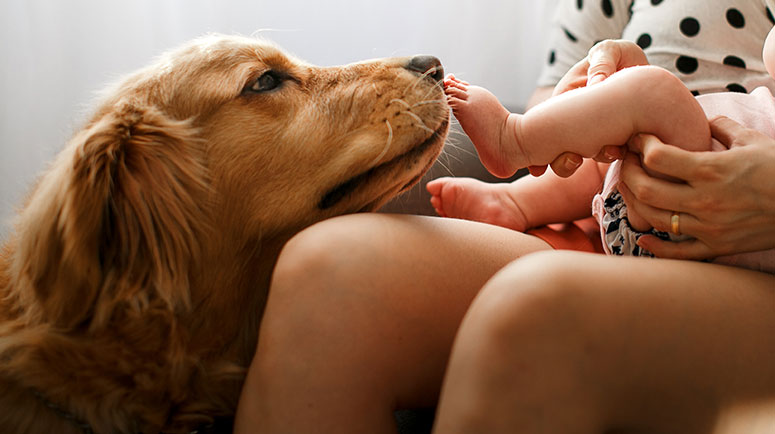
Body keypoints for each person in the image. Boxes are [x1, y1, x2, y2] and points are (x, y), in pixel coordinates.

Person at [233, 3, 775, 434]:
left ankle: (515, 143)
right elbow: (565, 137)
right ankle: (518, 177)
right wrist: (593, 97)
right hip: (610, 218)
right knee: (330, 272)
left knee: (539, 309)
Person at [429, 36, 775, 270]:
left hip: (701, 229)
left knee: (655, 95)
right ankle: (516, 202)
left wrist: (635, 95)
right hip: (666, 206)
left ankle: (514, 140)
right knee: (610, 151)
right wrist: (601, 102)